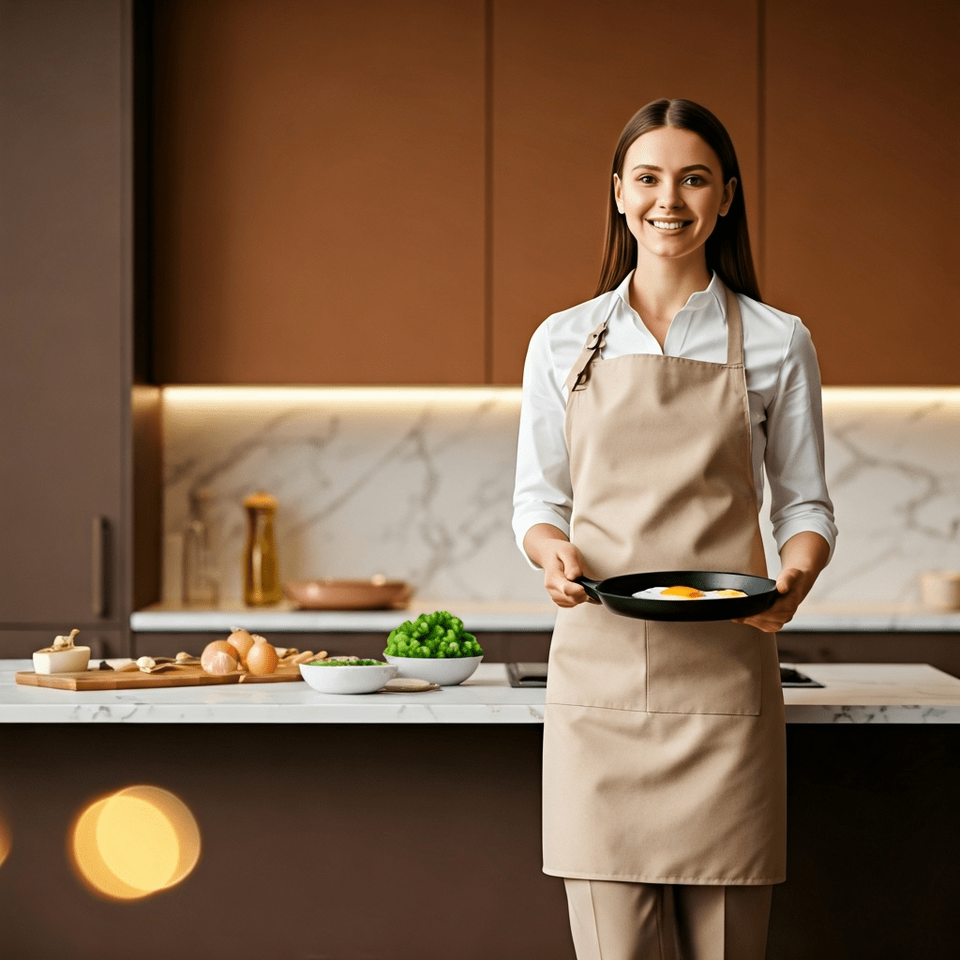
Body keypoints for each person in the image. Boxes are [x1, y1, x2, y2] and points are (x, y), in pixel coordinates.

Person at [512, 98, 837, 960]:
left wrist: (795, 580)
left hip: (726, 682)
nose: (670, 199)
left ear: (725, 196)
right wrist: (553, 556)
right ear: (618, 192)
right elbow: (537, 503)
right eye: (649, 177)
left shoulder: (776, 341)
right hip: (600, 684)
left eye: (693, 178)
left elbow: (804, 507)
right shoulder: (562, 341)